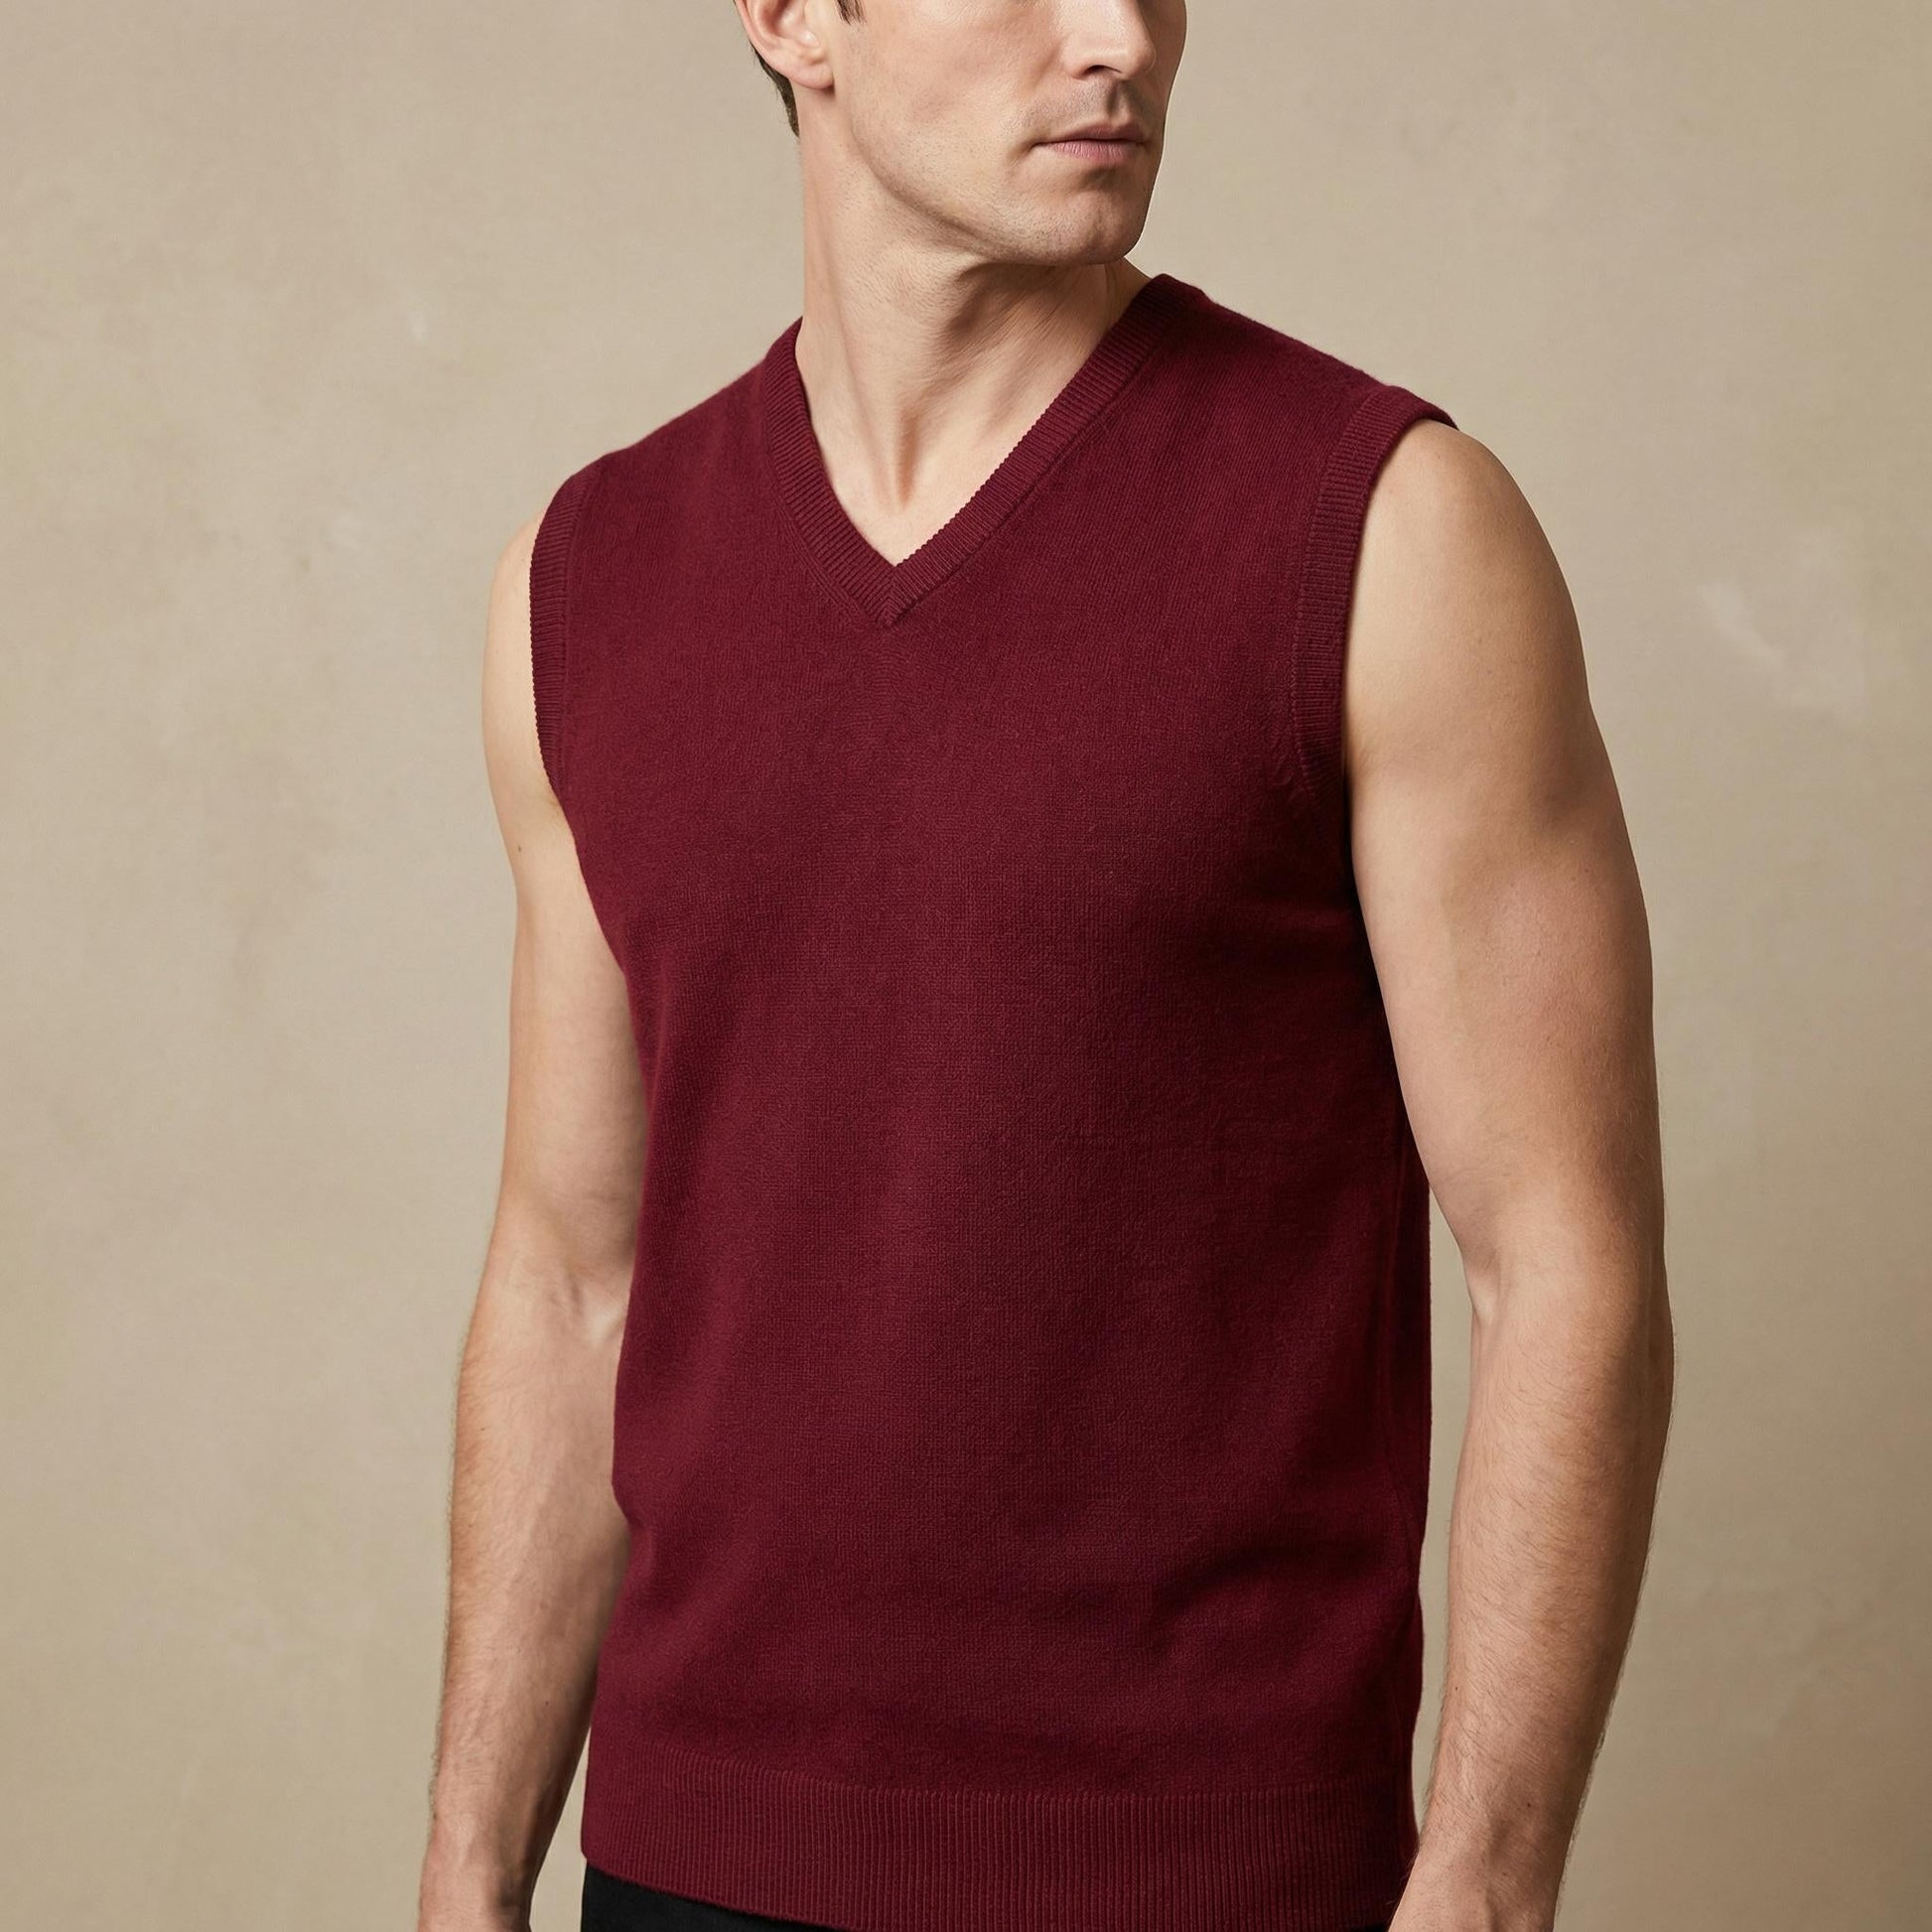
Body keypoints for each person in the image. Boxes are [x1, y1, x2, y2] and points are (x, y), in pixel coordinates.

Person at [416, 4, 1675, 1930]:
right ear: (793, 18)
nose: (1117, 39)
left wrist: (1484, 1886)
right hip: (687, 1868)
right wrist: (466, 1872)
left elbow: (1560, 1258)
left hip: (1210, 1871)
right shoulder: (587, 577)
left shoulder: (1384, 527)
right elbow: (570, 1277)